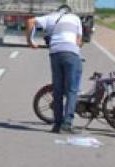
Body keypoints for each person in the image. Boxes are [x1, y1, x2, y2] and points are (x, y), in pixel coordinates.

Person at [26, 4, 84, 134]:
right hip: (71, 53)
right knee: (71, 90)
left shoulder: (51, 17)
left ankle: (57, 125)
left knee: (57, 90)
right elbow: (78, 41)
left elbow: (30, 21)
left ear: (58, 11)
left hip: (55, 53)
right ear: (70, 11)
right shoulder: (75, 18)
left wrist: (30, 42)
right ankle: (67, 124)